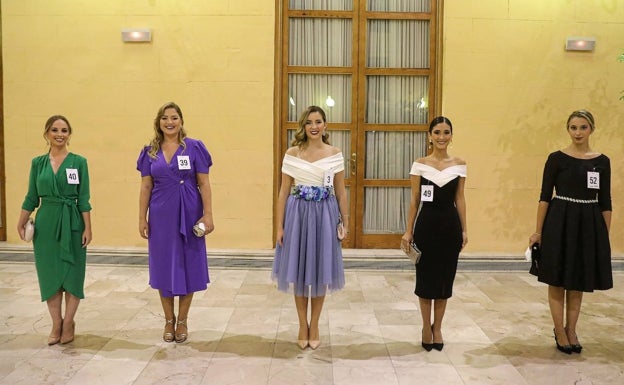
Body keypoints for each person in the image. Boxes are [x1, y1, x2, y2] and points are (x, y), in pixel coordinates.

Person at [528, 110, 612, 354]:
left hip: (588, 223)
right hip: (559, 221)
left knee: (578, 280)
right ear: (568, 129)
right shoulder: (556, 159)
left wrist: (603, 235)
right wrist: (538, 231)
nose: (578, 132)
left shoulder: (602, 161)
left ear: (591, 129)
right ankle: (559, 330)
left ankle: (572, 329)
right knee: (557, 279)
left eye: (583, 127)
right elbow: (544, 197)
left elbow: (605, 201)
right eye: (573, 127)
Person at [137, 102, 214, 343]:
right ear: (158, 122)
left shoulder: (194, 148)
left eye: (174, 117)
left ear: (181, 120)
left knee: (188, 264)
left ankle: (182, 320)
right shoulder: (150, 151)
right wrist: (142, 217)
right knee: (163, 265)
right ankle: (168, 320)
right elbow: (146, 186)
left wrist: (208, 214)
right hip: (161, 215)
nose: (169, 122)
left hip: (190, 212)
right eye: (165, 118)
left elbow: (204, 183)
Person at [272, 105, 348, 350]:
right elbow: (283, 191)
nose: (314, 127)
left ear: (325, 125)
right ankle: (301, 324)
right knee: (299, 272)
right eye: (309, 122)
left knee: (320, 271)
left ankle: (314, 324)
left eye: (318, 122)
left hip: (325, 215)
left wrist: (344, 221)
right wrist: (279, 226)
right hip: (298, 215)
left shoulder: (335, 153)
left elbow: (340, 191)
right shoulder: (292, 153)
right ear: (303, 127)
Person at [17, 115, 93, 345]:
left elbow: (83, 197)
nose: (60, 134)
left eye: (64, 130)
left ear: (70, 134)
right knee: (50, 274)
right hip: (46, 223)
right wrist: (21, 221)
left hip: (72, 222)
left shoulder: (79, 162)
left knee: (72, 273)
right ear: (47, 134)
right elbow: (32, 196)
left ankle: (69, 322)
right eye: (55, 130)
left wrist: (87, 227)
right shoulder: (37, 163)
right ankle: (56, 322)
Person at [402, 116, 467, 352]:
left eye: (446, 132)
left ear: (451, 135)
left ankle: (437, 327)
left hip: (449, 225)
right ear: (430, 135)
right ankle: (425, 328)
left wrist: (464, 228)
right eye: (437, 132)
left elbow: (460, 198)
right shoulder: (420, 164)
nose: (441, 137)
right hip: (426, 225)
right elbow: (414, 199)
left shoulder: (459, 164)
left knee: (444, 278)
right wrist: (408, 231)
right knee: (426, 278)